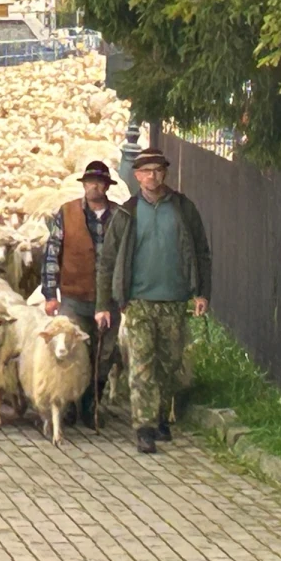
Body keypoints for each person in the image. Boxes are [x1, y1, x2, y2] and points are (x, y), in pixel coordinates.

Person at [96, 147, 211, 454]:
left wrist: (201, 292)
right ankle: (143, 427)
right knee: (141, 365)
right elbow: (108, 261)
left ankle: (160, 416)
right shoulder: (127, 213)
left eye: (158, 171)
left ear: (165, 174)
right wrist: (104, 305)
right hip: (138, 301)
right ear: (137, 176)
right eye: (146, 171)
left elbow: (201, 251)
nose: (152, 176)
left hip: (174, 300)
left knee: (169, 363)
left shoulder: (183, 209)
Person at [41, 160, 118, 428]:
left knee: (104, 353)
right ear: (84, 185)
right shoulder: (67, 212)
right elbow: (52, 252)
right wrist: (50, 293)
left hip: (108, 298)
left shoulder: (120, 216)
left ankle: (92, 403)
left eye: (99, 182)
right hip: (74, 295)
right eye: (90, 182)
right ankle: (70, 403)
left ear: (107, 186)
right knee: (73, 348)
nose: (94, 186)